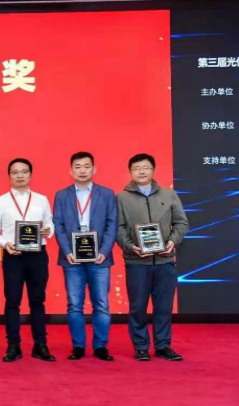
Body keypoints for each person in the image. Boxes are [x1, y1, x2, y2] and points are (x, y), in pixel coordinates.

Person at [117, 153, 189, 361]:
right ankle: (140, 346)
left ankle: (163, 346)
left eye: (146, 167)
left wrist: (172, 241)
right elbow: (118, 228)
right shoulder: (121, 198)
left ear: (153, 170)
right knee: (138, 307)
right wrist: (130, 247)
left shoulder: (169, 195)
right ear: (130, 171)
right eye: (137, 168)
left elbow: (181, 223)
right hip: (136, 262)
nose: (142, 171)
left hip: (165, 261)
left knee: (164, 307)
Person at [0, 158, 56, 362]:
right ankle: (13, 346)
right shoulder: (0, 202)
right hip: (13, 256)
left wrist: (48, 230)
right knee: (12, 301)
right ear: (9, 176)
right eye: (15, 172)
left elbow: (50, 224)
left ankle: (40, 345)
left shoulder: (42, 199)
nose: (20, 175)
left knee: (38, 300)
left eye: (24, 171)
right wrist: (4, 243)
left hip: (37, 255)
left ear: (31, 175)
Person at [52, 151, 118, 361]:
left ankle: (100, 346)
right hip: (72, 259)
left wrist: (104, 251)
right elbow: (58, 225)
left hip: (99, 258)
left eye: (86, 166)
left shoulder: (107, 194)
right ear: (71, 171)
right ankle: (78, 346)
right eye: (78, 167)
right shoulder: (61, 195)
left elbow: (112, 224)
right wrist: (67, 251)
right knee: (74, 304)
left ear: (94, 169)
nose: (82, 171)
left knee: (101, 304)